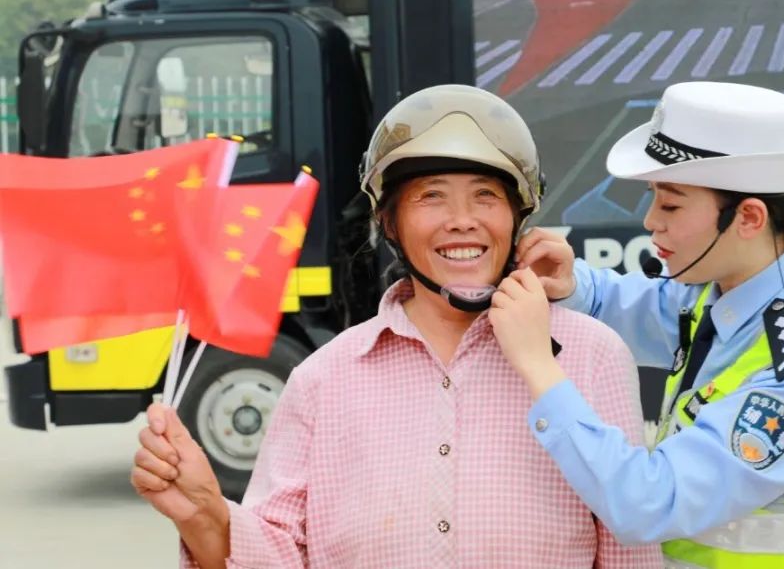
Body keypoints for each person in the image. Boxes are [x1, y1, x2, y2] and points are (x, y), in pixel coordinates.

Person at [130, 84, 663, 569]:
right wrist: (205, 516)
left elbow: (628, 549)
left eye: (486, 195)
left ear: (517, 219)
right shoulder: (323, 379)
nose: (462, 218)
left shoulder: (590, 356)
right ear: (389, 223)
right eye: (432, 195)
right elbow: (284, 553)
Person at [493, 82, 784, 568]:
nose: (650, 221)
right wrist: (572, 281)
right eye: (653, 197)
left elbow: (647, 503)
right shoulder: (728, 287)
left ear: (747, 217)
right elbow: (644, 305)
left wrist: (539, 367)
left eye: (672, 204)